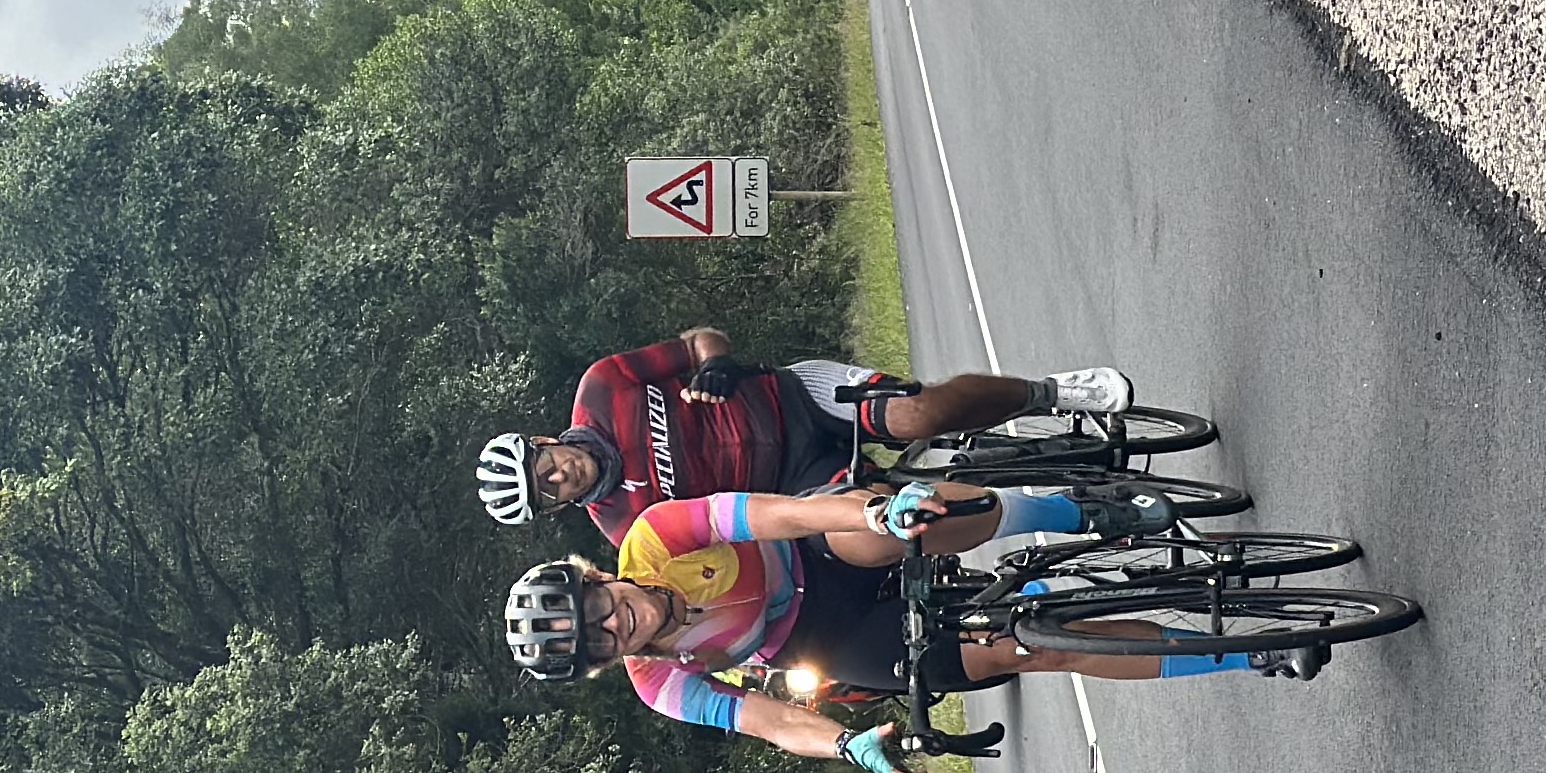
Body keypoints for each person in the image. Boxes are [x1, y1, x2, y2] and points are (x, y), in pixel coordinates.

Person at [502, 479, 1292, 773]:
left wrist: (875, 511)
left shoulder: (654, 536)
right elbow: (769, 720)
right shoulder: (659, 682)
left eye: (595, 609)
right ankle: (1244, 651)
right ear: (605, 664)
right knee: (1039, 648)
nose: (615, 625)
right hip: (826, 637)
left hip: (817, 549)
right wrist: (847, 745)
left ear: (595, 575)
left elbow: (778, 514)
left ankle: (1080, 510)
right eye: (598, 643)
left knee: (920, 519)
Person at [474, 327, 1141, 544]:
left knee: (919, 416)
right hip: (798, 483)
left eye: (545, 467)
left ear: (541, 440)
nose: (559, 476)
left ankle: (1054, 392)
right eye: (549, 492)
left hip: (797, 399)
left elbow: (698, 338)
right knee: (896, 527)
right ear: (556, 507)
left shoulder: (601, 389)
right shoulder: (626, 525)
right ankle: (1067, 515)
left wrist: (715, 363)